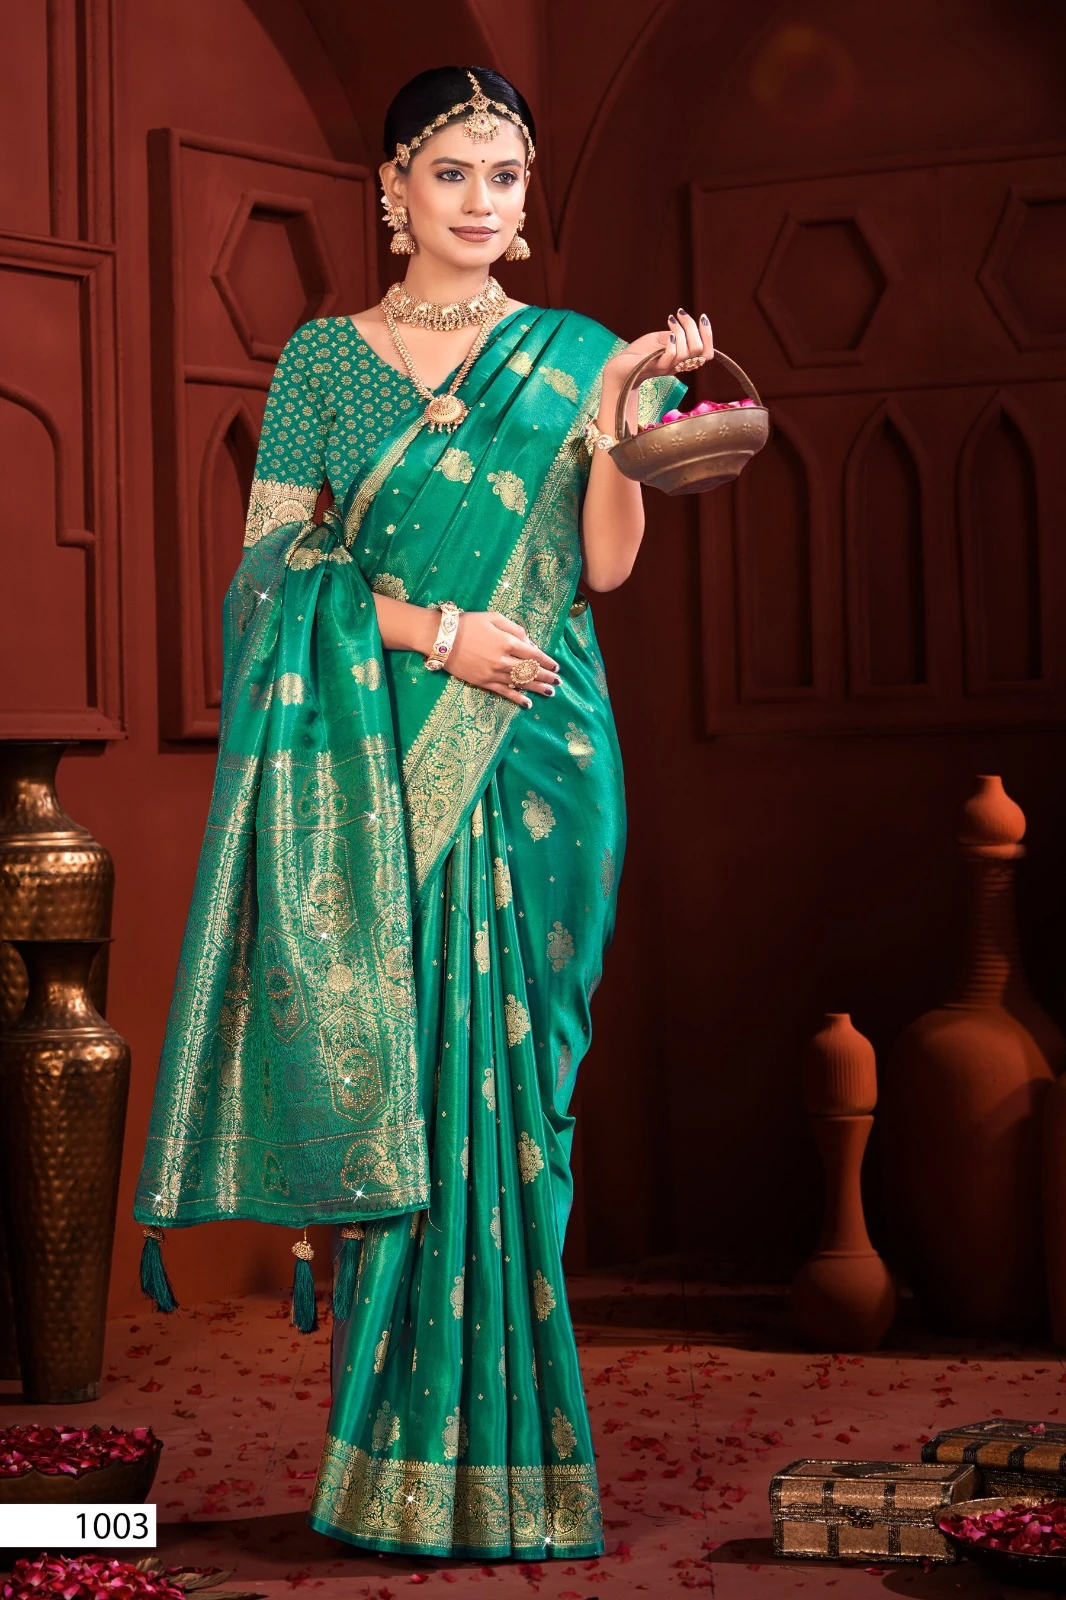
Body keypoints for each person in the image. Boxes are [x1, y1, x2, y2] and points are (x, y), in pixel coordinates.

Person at [134, 64, 712, 1561]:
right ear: (392, 188)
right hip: (383, 758)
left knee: (519, 1103)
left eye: (503, 177)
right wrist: (434, 632)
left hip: (543, 754)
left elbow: (604, 568)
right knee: (406, 1084)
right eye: (450, 171)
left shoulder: (572, 353)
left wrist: (619, 422)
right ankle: (386, 1468)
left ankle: (514, 1469)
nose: (479, 202)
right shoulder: (326, 364)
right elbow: (268, 585)